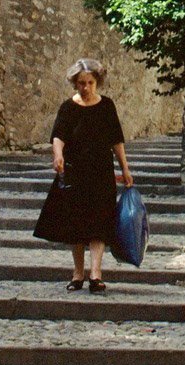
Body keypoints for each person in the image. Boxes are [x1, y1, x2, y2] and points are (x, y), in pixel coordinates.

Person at [33, 57, 132, 292]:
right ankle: (78, 274)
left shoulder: (106, 106)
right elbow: (58, 136)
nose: (86, 87)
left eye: (90, 83)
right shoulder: (68, 107)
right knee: (76, 224)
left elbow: (116, 140)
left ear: (97, 82)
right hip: (74, 171)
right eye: (81, 83)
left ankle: (96, 275)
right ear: (74, 83)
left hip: (101, 172)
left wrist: (125, 169)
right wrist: (58, 155)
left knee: (100, 222)